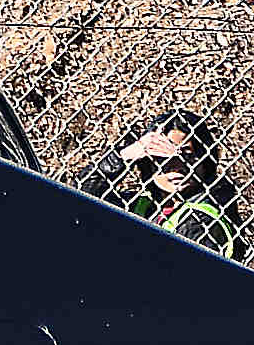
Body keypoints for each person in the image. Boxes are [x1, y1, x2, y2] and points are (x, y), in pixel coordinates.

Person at [82, 110, 242, 257]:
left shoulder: (202, 219)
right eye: (163, 156)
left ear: (204, 161)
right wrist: (124, 156)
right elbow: (81, 199)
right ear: (148, 162)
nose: (177, 165)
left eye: (187, 155)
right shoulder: (143, 205)